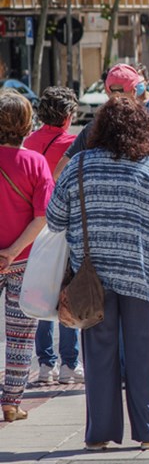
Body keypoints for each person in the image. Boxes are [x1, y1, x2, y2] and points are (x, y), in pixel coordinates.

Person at [47, 96, 149, 450]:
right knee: (146, 354)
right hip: (144, 275)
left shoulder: (78, 166)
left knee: (99, 356)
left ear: (100, 128)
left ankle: (100, 434)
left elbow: (54, 219)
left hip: (91, 279)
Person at [54, 64, 149, 387]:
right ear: (135, 91)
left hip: (95, 250)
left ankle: (116, 376)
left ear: (107, 91)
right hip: (144, 245)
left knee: (104, 317)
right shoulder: (147, 125)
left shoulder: (94, 128)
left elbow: (61, 171)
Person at [22, 87, 83, 385]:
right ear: (68, 115)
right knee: (67, 291)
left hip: (34, 228)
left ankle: (46, 365)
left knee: (40, 292)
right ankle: (70, 363)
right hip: (66, 227)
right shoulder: (73, 144)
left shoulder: (29, 142)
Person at [0, 91, 53, 422]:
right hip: (24, 262)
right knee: (20, 337)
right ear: (26, 124)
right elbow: (42, 216)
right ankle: (11, 403)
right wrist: (12, 251)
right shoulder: (35, 163)